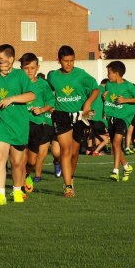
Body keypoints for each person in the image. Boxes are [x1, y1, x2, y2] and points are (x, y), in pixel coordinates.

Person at [0, 45, 35, 205]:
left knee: (17, 162)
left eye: (0, 59)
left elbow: (31, 95)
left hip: (18, 124)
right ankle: (0, 194)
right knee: (0, 156)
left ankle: (17, 190)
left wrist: (11, 99)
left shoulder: (20, 75)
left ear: (11, 59)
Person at [47, 45, 99, 197]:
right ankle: (68, 186)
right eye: (65, 61)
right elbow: (47, 91)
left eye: (72, 60)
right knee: (66, 150)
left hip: (80, 116)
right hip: (61, 115)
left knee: (75, 153)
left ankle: (71, 177)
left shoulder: (81, 75)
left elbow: (95, 89)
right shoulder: (53, 76)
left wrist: (88, 103)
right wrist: (49, 104)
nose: (69, 64)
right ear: (59, 61)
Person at [19, 53, 54, 187]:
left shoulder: (43, 84)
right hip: (20, 123)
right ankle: (19, 186)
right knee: (20, 157)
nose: (29, 71)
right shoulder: (17, 82)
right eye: (26, 68)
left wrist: (41, 110)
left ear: (37, 68)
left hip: (37, 123)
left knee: (32, 161)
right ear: (21, 67)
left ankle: (27, 174)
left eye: (32, 68)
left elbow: (51, 102)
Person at [103, 61, 135, 181]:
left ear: (117, 73)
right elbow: (108, 97)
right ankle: (126, 166)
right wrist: (104, 97)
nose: (107, 75)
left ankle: (115, 171)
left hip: (123, 118)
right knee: (116, 146)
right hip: (111, 118)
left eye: (109, 73)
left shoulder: (129, 86)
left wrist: (125, 100)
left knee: (116, 143)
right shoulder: (108, 84)